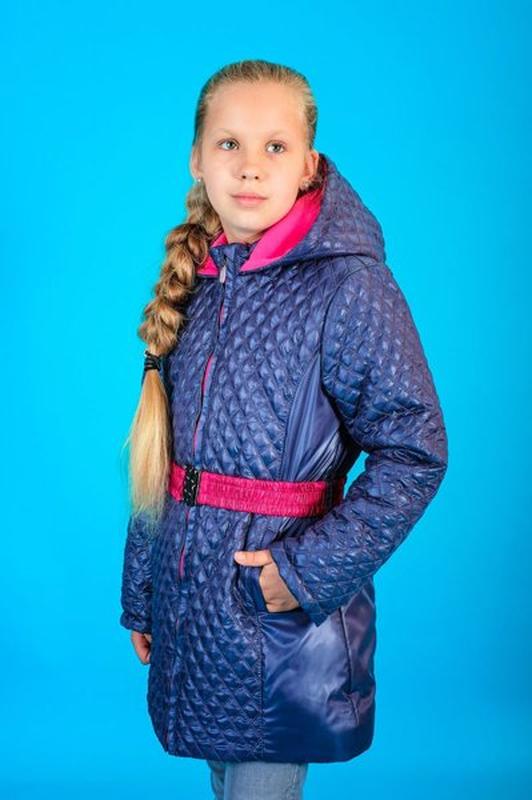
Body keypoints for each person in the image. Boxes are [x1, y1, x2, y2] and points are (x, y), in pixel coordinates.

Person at [119, 58, 448, 800]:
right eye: (229, 144)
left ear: (308, 164)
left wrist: (300, 574)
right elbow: (161, 460)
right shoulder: (194, 285)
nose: (250, 166)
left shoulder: (348, 286)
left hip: (278, 615)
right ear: (197, 159)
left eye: (275, 146)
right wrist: (143, 591)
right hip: (194, 607)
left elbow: (415, 451)